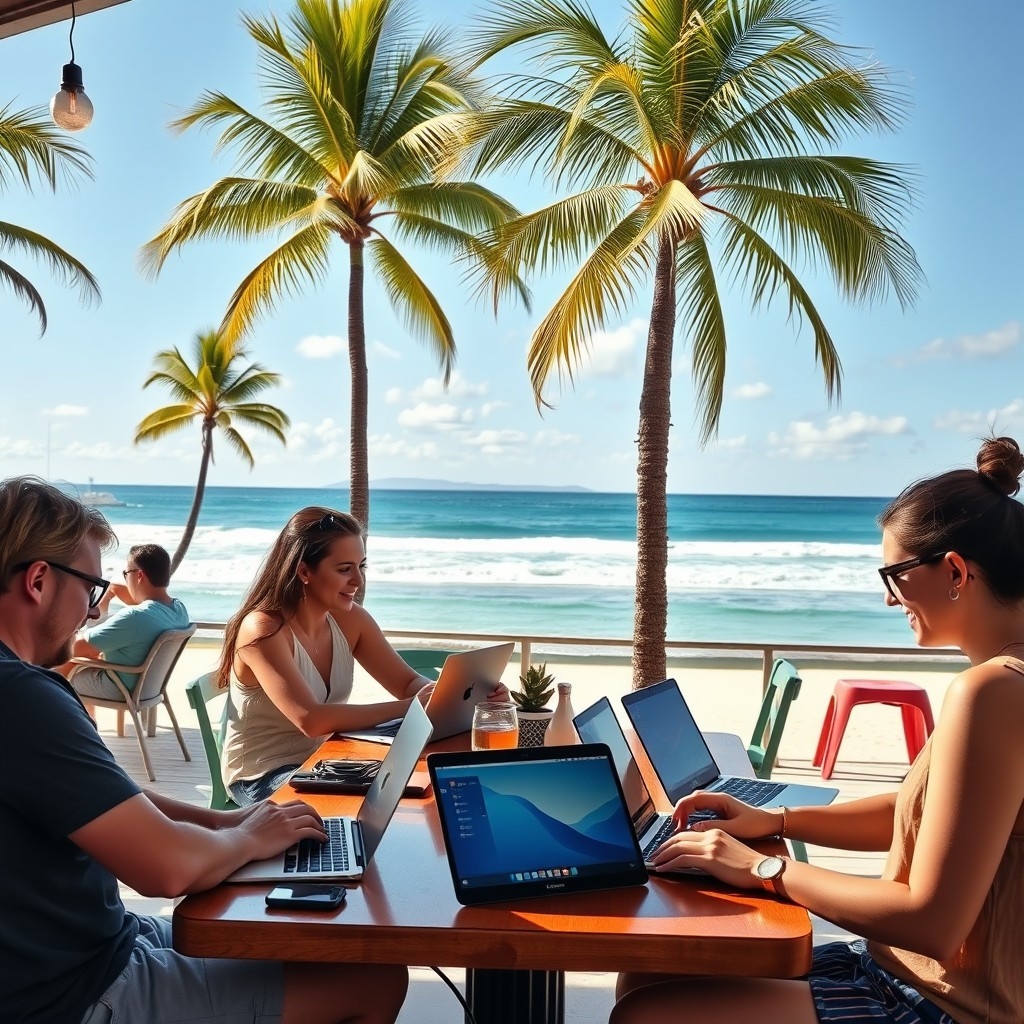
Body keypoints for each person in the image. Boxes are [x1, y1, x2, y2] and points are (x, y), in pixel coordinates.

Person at [611, 436, 1024, 1024]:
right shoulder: (1002, 683)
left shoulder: (991, 692)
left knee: (647, 1012)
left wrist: (764, 868)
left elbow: (933, 923)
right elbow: (927, 815)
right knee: (650, 967)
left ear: (955, 570)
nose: (890, 599)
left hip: (942, 1003)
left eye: (894, 575)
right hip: (900, 971)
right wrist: (776, 821)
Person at [0, 476, 408, 1024]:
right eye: (91, 589)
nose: (93, 613)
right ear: (38, 581)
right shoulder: (22, 697)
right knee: (372, 977)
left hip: (97, 942)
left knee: (312, 946)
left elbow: (109, 798)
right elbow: (167, 870)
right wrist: (247, 839)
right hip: (71, 990)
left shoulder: (20, 692)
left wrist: (228, 822)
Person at [220, 505, 509, 806]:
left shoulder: (350, 619)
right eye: (344, 569)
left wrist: (458, 697)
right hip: (261, 777)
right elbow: (310, 719)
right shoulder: (263, 629)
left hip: (324, 761)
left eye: (361, 566)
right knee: (384, 799)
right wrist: (410, 708)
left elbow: (407, 682)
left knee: (425, 786)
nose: (358, 581)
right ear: (304, 571)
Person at [58, 542, 190, 698]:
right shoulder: (179, 609)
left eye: (126, 574)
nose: (126, 580)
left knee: (62, 669)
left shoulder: (135, 616)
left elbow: (77, 648)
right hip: (151, 688)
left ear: (139, 575)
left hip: (122, 688)